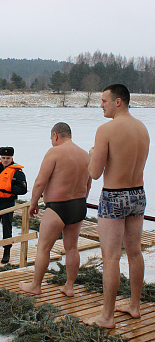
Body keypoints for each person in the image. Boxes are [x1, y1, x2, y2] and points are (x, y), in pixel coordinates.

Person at [83, 84, 150, 329]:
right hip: (138, 194)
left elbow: (95, 172)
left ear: (118, 101)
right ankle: (134, 305)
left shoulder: (106, 130)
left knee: (110, 256)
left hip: (114, 195)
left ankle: (107, 316)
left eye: (104, 101)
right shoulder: (143, 128)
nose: (101, 105)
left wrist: (92, 154)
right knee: (134, 251)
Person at [19, 122, 91, 296]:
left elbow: (40, 181)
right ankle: (69, 286)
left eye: (51, 138)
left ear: (56, 135)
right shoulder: (85, 155)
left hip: (58, 206)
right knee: (72, 248)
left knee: (44, 248)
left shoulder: (54, 152)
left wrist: (34, 202)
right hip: (79, 205)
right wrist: (81, 202)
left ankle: (36, 285)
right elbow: (88, 184)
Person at [0, 146, 27, 264]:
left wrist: (8, 187)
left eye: (8, 158)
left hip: (8, 203)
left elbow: (23, 189)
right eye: (3, 158)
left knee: (7, 229)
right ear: (0, 158)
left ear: (12, 158)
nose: (5, 160)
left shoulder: (18, 172)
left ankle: (6, 253)